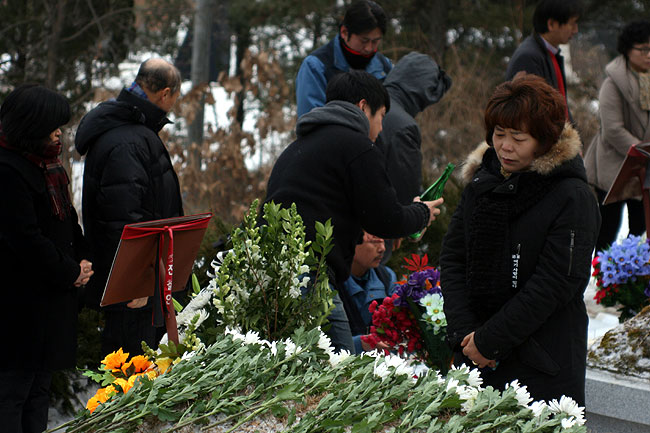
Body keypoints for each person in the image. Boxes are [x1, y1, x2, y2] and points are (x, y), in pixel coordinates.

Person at [440, 73, 600, 406]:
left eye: (519, 137)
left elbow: (555, 282)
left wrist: (490, 340)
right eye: (499, 134)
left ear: (545, 140)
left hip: (543, 362)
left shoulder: (571, 196)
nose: (505, 146)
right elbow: (454, 258)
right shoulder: (483, 184)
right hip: (475, 355)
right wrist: (465, 334)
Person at [264, 70, 444, 352]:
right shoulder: (357, 146)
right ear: (363, 107)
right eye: (381, 116)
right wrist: (421, 213)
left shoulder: (298, 147)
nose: (381, 129)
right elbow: (385, 219)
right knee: (337, 364)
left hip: (272, 274)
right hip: (310, 277)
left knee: (298, 364)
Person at [0, 85, 94, 433]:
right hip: (18, 310)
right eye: (52, 126)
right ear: (31, 126)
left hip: (48, 305)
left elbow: (67, 220)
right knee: (13, 395)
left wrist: (82, 260)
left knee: (38, 392)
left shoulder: (47, 165)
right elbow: (25, 239)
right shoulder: (8, 171)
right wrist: (70, 271)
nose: (59, 133)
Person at [75, 58, 183, 356]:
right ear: (165, 94)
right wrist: (139, 281)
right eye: (175, 96)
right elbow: (124, 218)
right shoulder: (128, 141)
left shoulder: (129, 130)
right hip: (133, 291)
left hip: (134, 282)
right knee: (131, 370)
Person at [376, 51, 452, 262]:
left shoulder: (369, 105)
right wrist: (411, 222)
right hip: (377, 234)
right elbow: (405, 188)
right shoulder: (403, 126)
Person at [584, 20, 650, 252]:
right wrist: (643, 151)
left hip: (643, 169)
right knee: (607, 231)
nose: (649, 55)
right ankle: (602, 272)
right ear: (628, 49)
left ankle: (634, 272)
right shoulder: (612, 83)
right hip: (613, 166)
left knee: (640, 232)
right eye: (644, 49)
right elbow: (613, 129)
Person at [296, 0, 392, 117]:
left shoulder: (385, 66)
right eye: (364, 40)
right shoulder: (316, 67)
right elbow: (311, 120)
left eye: (375, 41)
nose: (369, 48)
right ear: (344, 32)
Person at [505, 0, 582, 121]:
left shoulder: (550, 52)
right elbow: (531, 115)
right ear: (551, 24)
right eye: (572, 24)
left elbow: (562, 107)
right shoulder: (528, 58)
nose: (575, 30)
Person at [341, 232, 397, 354]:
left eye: (383, 241)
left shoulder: (387, 277)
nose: (382, 248)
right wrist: (360, 344)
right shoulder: (329, 282)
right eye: (374, 241)